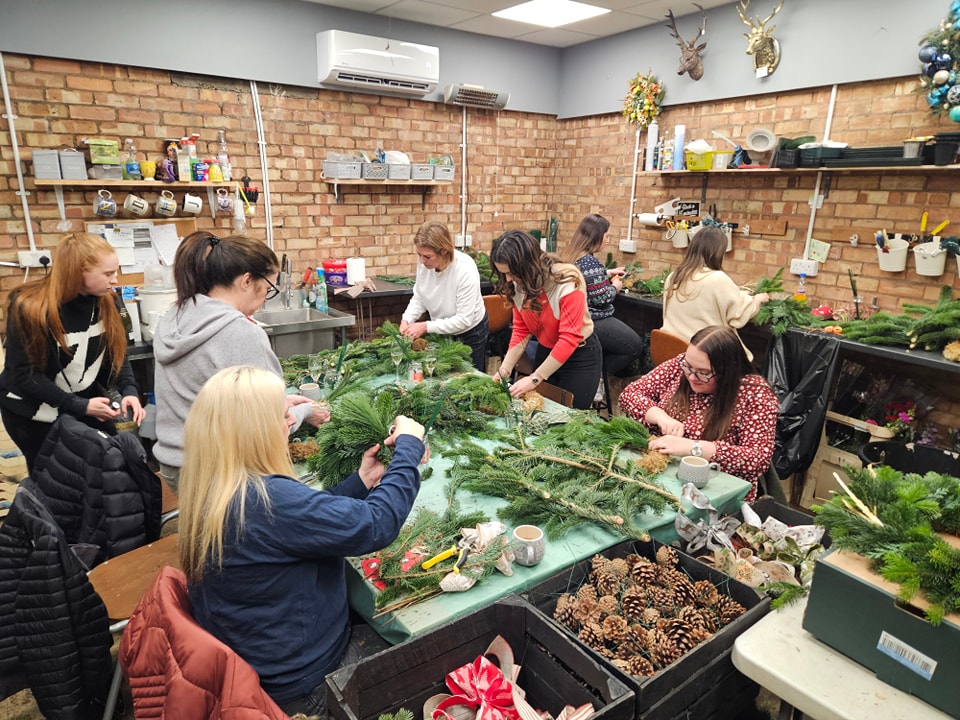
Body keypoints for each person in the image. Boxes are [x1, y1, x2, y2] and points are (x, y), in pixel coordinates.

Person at [178, 365, 425, 716]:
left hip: (260, 661)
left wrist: (361, 481)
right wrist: (409, 449)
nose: (290, 423)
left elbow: (303, 524)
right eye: (281, 417)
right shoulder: (266, 500)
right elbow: (378, 524)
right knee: (427, 651)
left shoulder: (218, 486)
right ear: (255, 432)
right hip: (306, 685)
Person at [153, 231, 323, 492]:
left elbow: (209, 394)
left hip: (176, 465)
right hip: (217, 471)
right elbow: (270, 421)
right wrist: (305, 410)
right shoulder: (241, 332)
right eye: (268, 288)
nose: (266, 298)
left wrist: (285, 401)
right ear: (246, 281)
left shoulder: (177, 316)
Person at [0, 232, 144, 472]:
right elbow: (26, 375)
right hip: (32, 414)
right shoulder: (30, 307)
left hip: (80, 403)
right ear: (79, 272)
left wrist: (129, 390)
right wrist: (79, 406)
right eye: (108, 274)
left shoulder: (107, 301)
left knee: (107, 470)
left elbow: (117, 354)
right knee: (54, 483)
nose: (115, 280)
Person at [618, 325, 778, 501]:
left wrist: (693, 448)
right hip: (662, 478)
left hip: (716, 494)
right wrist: (662, 418)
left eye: (704, 373)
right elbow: (630, 394)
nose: (692, 377)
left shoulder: (755, 394)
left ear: (728, 371)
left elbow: (758, 459)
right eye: (689, 368)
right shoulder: (683, 366)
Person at [489, 229, 601, 409]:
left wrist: (534, 378)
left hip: (579, 358)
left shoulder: (567, 279)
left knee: (571, 422)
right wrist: (505, 369)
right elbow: (521, 329)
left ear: (527, 266)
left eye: (511, 273)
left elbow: (569, 338)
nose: (508, 279)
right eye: (503, 273)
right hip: (547, 351)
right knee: (542, 414)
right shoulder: (518, 284)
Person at [661, 225, 769, 361]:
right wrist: (757, 300)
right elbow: (738, 316)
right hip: (706, 356)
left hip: (672, 354)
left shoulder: (674, 276)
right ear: (717, 253)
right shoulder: (717, 279)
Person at [561, 213, 643, 377]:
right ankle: (594, 375)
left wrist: (606, 273)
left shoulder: (572, 256)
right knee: (635, 346)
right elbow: (601, 299)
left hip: (571, 318)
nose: (608, 240)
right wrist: (615, 286)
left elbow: (584, 279)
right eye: (606, 236)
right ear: (596, 237)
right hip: (592, 319)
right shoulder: (590, 262)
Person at [399, 221, 488, 371]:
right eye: (419, 255)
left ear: (444, 251)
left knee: (469, 379)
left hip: (470, 333)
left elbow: (464, 320)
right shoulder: (425, 263)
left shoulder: (465, 270)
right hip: (441, 329)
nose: (421, 261)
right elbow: (420, 296)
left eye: (427, 256)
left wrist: (425, 326)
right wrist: (407, 319)